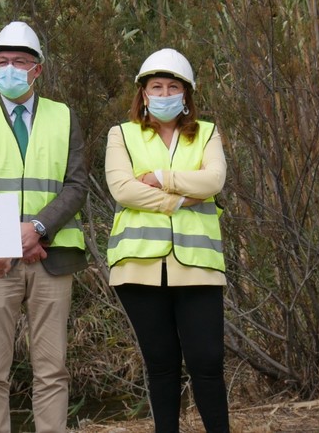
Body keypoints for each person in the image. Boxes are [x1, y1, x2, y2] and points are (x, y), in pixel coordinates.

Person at [104, 49, 229, 433]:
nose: (163, 93)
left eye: (173, 86)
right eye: (156, 87)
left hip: (199, 266)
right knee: (161, 364)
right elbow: (122, 189)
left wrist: (160, 176)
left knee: (207, 362)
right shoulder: (121, 134)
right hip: (138, 266)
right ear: (142, 94)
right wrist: (181, 199)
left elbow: (214, 181)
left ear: (186, 94)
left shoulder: (207, 132)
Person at [0, 22, 88, 433]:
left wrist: (38, 229)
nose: (9, 69)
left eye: (19, 61)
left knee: (52, 369)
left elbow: (76, 185)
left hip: (50, 258)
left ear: (37, 69)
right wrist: (9, 237)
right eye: (1, 62)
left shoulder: (63, 116)